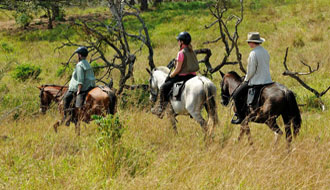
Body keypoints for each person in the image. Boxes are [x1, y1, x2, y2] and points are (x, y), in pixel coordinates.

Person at [151, 31, 199, 118]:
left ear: (182, 42)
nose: (178, 42)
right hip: (193, 76)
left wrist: (170, 75)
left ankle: (161, 109)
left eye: (179, 41)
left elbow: (177, 69)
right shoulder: (192, 51)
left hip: (183, 77)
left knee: (163, 88)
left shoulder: (181, 53)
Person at [231, 32, 273, 124]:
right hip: (268, 80)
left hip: (257, 81)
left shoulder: (253, 53)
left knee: (236, 95)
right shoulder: (265, 51)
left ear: (252, 42)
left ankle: (240, 117)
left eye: (248, 42)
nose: (248, 44)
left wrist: (246, 80)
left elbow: (251, 71)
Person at [63, 46, 96, 122]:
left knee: (66, 98)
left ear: (80, 55)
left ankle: (66, 118)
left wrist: (78, 90)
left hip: (83, 87)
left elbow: (80, 80)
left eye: (78, 54)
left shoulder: (79, 65)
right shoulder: (87, 63)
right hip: (90, 85)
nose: (77, 55)